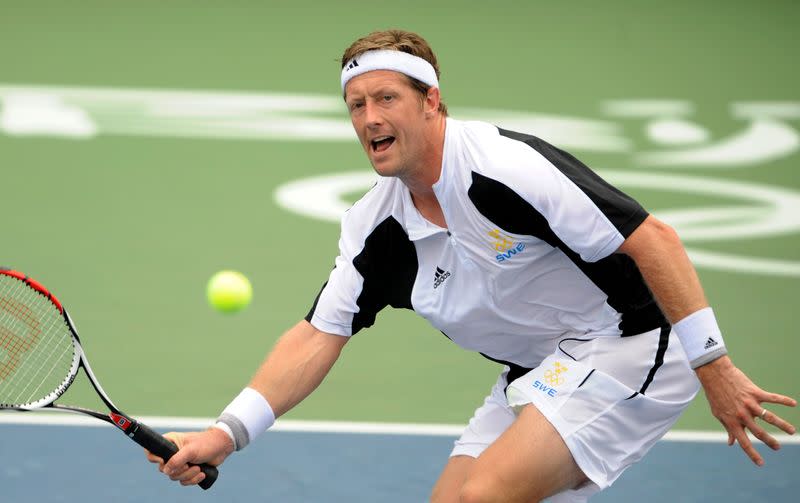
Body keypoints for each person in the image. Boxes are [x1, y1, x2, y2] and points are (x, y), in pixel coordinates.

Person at [146, 29, 796, 502]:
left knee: (486, 496)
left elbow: (654, 238)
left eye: (386, 98)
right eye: (355, 104)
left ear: (432, 102)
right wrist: (227, 432)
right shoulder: (376, 228)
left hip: (633, 344)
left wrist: (716, 366)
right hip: (544, 367)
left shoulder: (505, 170)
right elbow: (319, 332)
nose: (369, 118)